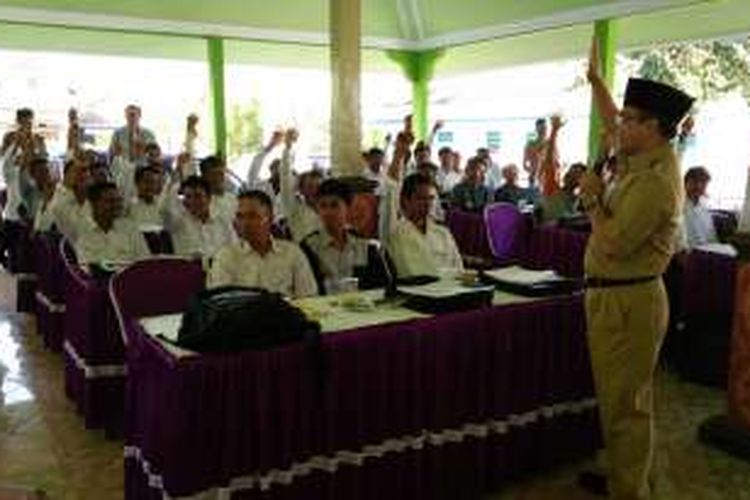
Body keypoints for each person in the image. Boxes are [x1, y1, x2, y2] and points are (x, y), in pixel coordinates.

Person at [578, 37, 694, 500]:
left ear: (655, 126)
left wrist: (589, 197)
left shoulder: (657, 182)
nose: (618, 124)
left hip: (630, 300)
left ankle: (630, 492)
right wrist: (595, 81)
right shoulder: (639, 154)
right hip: (613, 296)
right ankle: (623, 478)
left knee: (628, 406)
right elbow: (609, 119)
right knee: (615, 398)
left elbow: (614, 241)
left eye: (629, 119)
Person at [381, 132, 463, 279]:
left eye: (431, 199)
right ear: (405, 200)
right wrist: (399, 152)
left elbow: (459, 270)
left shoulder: (442, 233)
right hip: (413, 296)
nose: (427, 204)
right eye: (420, 199)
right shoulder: (394, 230)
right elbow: (391, 186)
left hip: (449, 293)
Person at [208, 190, 317, 298]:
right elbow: (221, 303)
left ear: (270, 218)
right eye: (240, 216)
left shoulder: (292, 253)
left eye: (252, 216)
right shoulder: (225, 257)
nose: (245, 223)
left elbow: (308, 296)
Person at [300, 179, 386, 294]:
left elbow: (380, 285)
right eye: (323, 206)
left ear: (348, 208)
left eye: (335, 205)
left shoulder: (364, 245)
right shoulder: (309, 246)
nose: (328, 212)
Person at [75, 181, 150, 266]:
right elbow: (84, 267)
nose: (117, 205)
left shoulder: (130, 229)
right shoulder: (84, 231)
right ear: (94, 204)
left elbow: (145, 262)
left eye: (119, 200)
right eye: (110, 201)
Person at [162, 174, 235, 258]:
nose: (192, 201)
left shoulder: (223, 221)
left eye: (198, 196)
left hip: (221, 268)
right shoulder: (177, 222)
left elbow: (233, 248)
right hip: (189, 269)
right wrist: (175, 182)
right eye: (188, 197)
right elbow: (164, 209)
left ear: (209, 198)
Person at [279, 129, 323, 242]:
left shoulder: (330, 209)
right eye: (309, 186)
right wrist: (288, 148)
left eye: (318, 186)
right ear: (301, 189)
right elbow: (285, 177)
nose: (314, 190)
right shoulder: (294, 208)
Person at [45, 156, 92, 242]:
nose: (83, 175)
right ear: (66, 175)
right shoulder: (60, 199)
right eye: (78, 171)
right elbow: (80, 230)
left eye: (85, 171)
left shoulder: (85, 194)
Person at [683, 166, 718, 248]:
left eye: (703, 182)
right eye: (695, 181)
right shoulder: (677, 206)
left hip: (706, 252)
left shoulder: (704, 208)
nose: (698, 186)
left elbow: (712, 236)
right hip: (686, 254)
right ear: (686, 183)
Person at [200, 155, 237, 227]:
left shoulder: (232, 199)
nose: (218, 178)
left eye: (221, 174)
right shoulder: (201, 203)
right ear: (203, 176)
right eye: (213, 174)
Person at [523, 117, 549, 187]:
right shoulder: (530, 144)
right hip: (534, 177)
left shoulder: (550, 143)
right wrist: (533, 171)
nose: (543, 130)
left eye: (544, 128)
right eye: (541, 128)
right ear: (536, 129)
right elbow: (525, 164)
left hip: (547, 177)